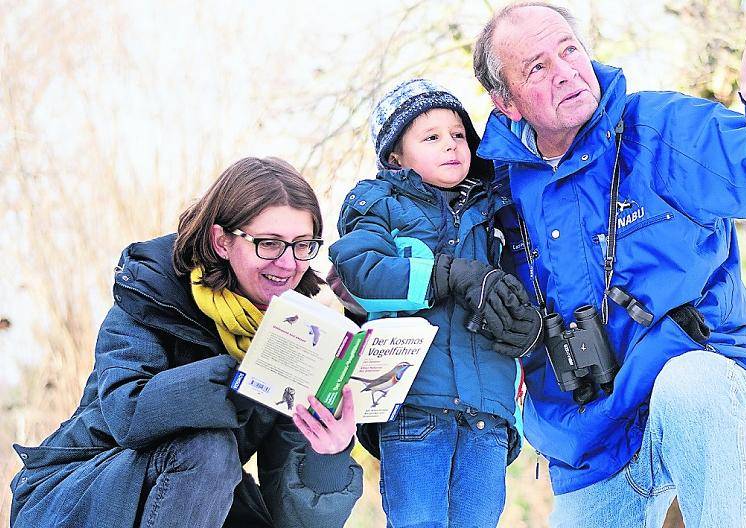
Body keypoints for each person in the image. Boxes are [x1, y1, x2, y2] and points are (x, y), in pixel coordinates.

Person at [471, 3, 746, 527]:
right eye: (537, 68)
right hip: (590, 442)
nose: (566, 73)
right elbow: (428, 273)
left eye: (569, 50)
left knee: (687, 384)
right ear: (505, 102)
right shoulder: (490, 194)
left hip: (704, 385)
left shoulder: (660, 132)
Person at [9, 157, 363, 528]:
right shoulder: (154, 294)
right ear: (222, 241)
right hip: (75, 497)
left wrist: (330, 454)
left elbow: (292, 518)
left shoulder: (297, 334)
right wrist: (243, 373)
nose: (288, 263)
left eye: (303, 245)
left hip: (190, 500)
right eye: (269, 244)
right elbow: (127, 414)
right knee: (209, 451)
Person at [329, 79, 542, 526]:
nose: (451, 145)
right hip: (413, 403)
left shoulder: (496, 211)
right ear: (395, 157)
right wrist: (447, 273)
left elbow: (533, 282)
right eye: (431, 137)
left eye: (459, 135)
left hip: (489, 409)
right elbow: (362, 271)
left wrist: (528, 325)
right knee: (418, 519)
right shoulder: (379, 204)